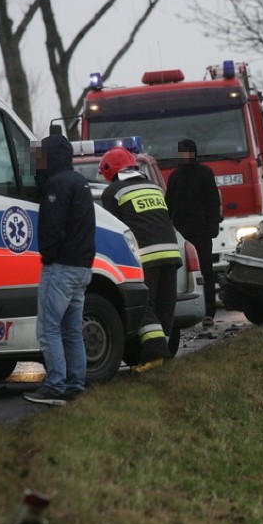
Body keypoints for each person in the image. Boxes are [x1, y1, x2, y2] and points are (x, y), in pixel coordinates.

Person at [24, 134, 96, 406]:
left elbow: (54, 228)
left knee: (48, 329)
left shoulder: (57, 185)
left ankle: (55, 386)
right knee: (72, 330)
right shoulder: (79, 182)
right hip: (82, 267)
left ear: (50, 157)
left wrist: (48, 255)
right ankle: (76, 385)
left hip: (61, 267)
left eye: (41, 156)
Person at [99, 147, 181, 372]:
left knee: (143, 306)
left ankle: (155, 356)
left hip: (144, 256)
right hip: (172, 253)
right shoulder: (154, 187)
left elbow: (113, 228)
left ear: (109, 171)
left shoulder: (113, 192)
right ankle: (162, 355)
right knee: (164, 306)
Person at [165, 139, 222, 327]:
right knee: (182, 273)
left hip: (201, 232)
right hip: (181, 234)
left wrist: (212, 227)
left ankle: (208, 312)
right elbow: (168, 204)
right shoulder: (175, 177)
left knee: (205, 271)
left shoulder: (205, 174)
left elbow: (213, 202)